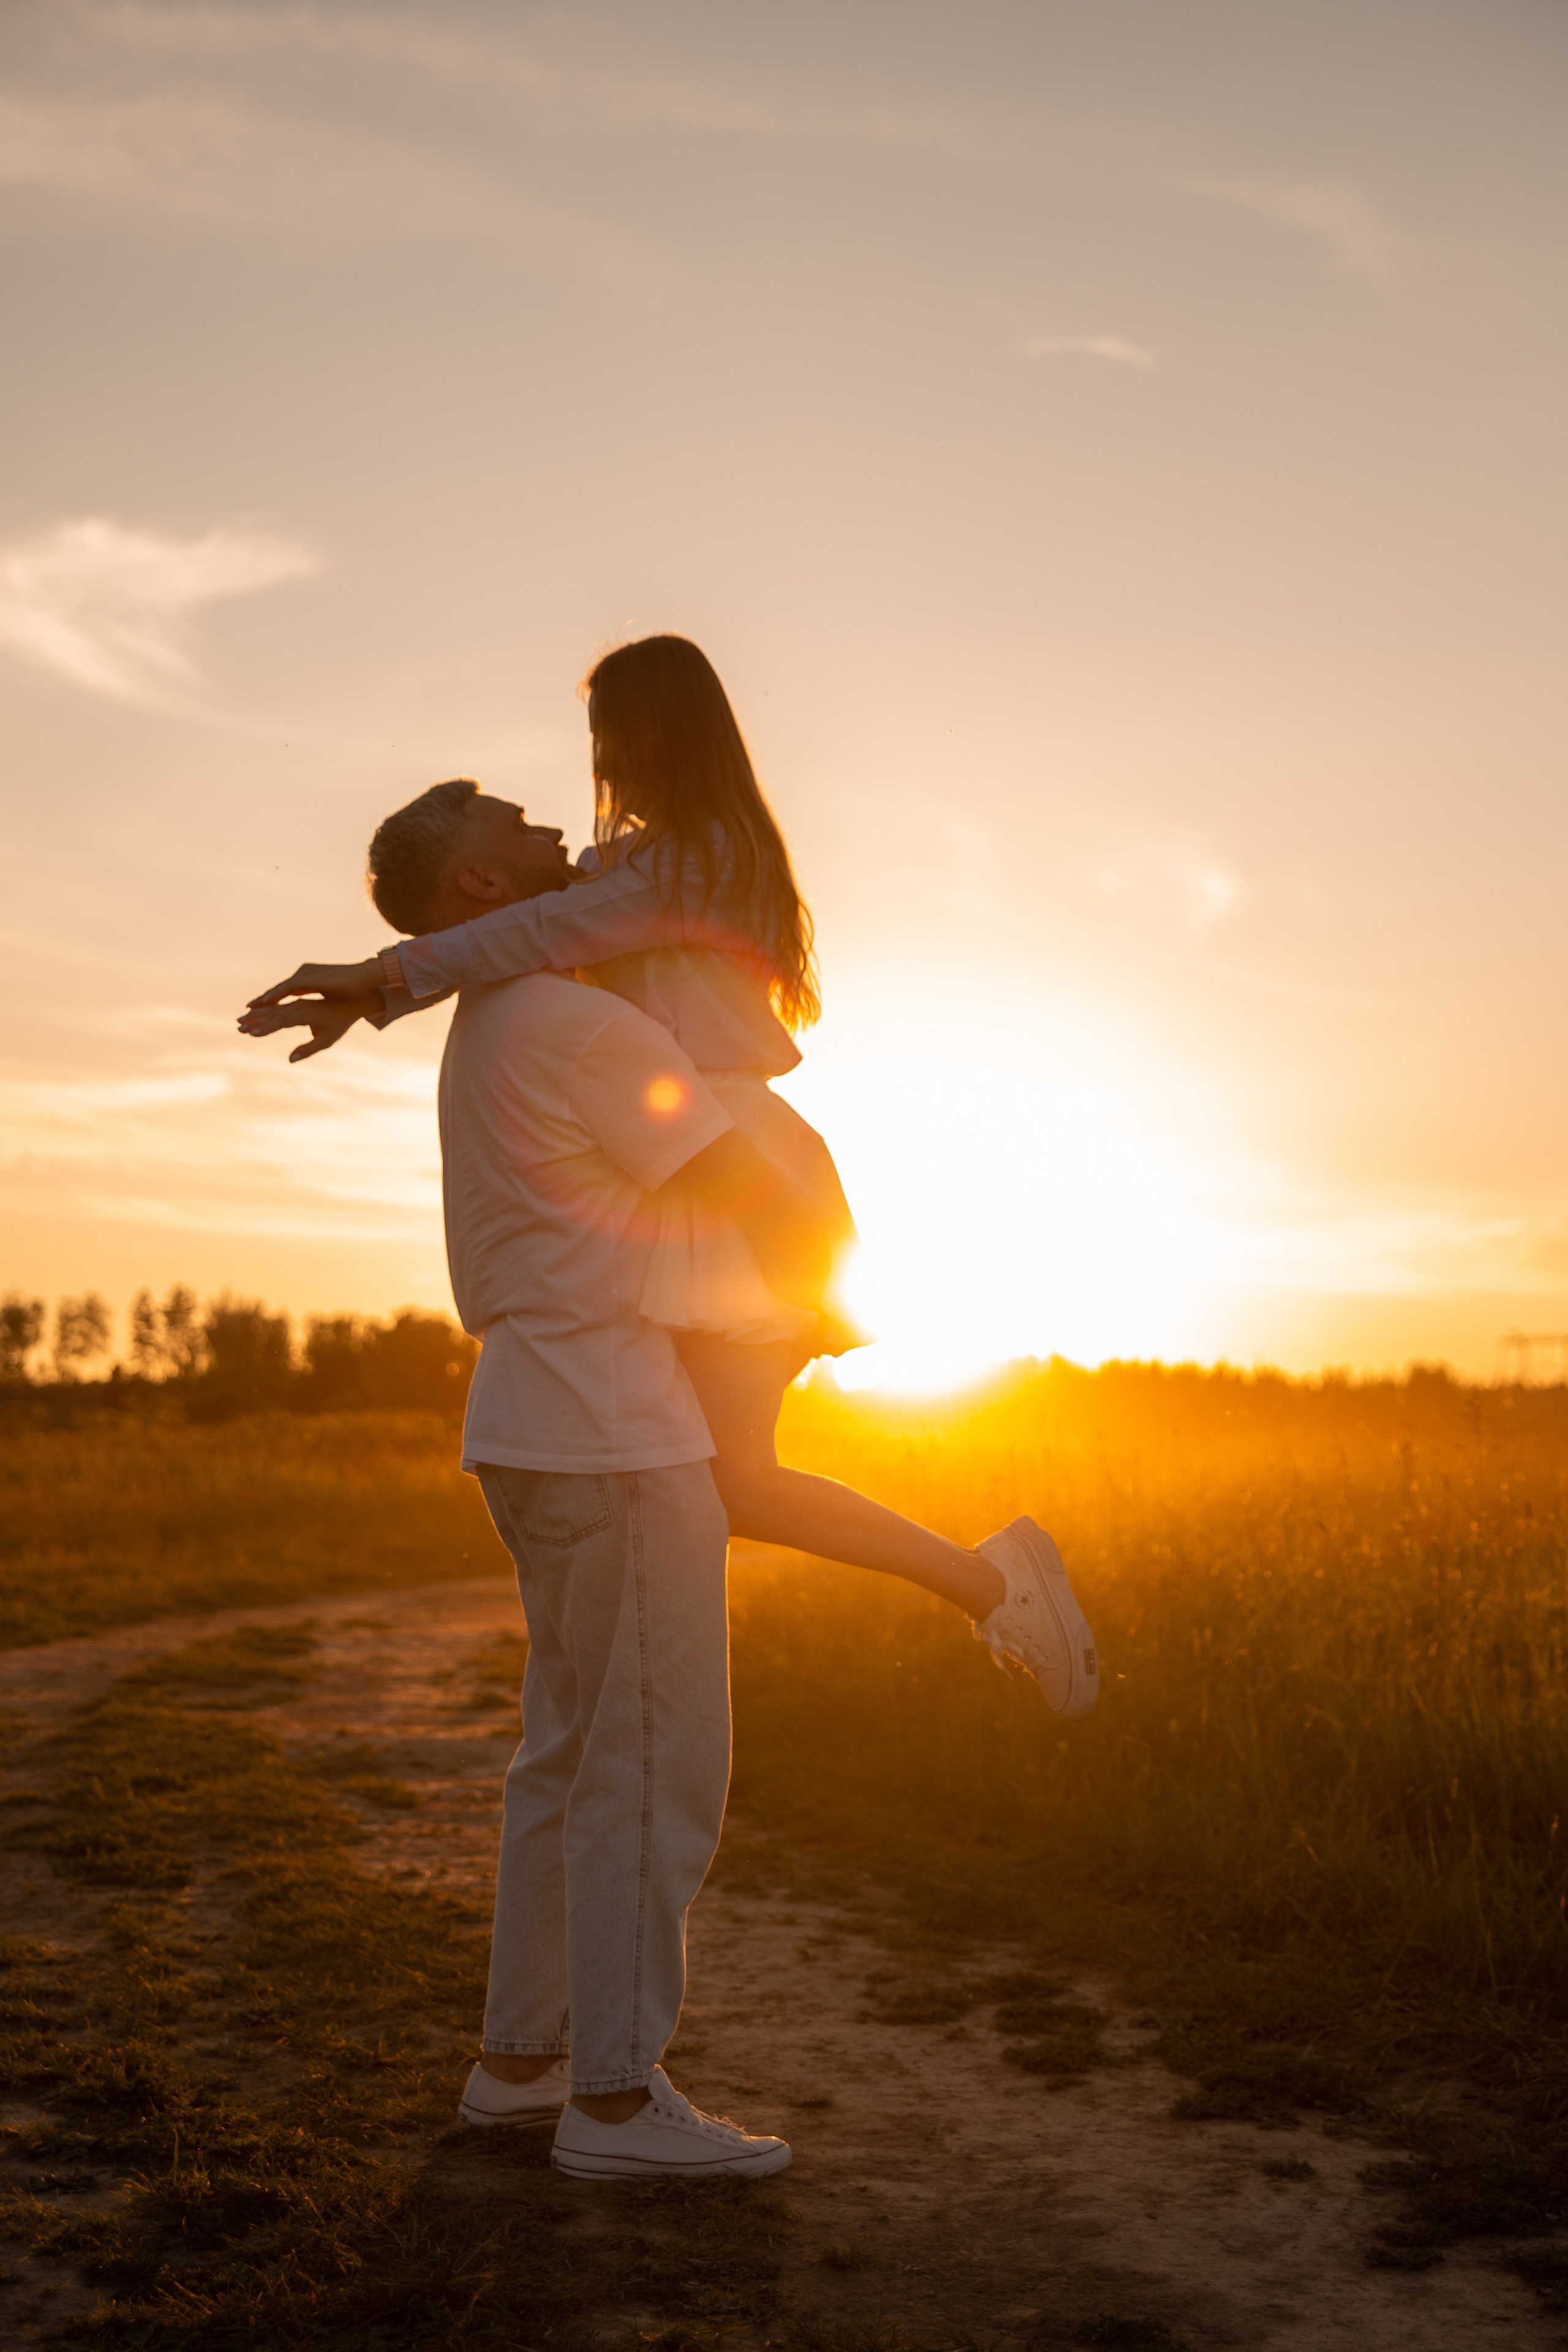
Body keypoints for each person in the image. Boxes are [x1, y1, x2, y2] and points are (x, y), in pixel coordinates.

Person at [241, 636, 1099, 1720]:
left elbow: (542, 924)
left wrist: (375, 979)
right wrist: (380, 990)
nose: (593, 758)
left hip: (735, 1165)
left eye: (609, 730)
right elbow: (518, 924)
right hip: (685, 1171)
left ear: (659, 730)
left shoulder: (700, 860)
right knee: (721, 1482)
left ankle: (993, 1586)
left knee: (723, 1479)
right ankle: (991, 1583)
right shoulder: (638, 866)